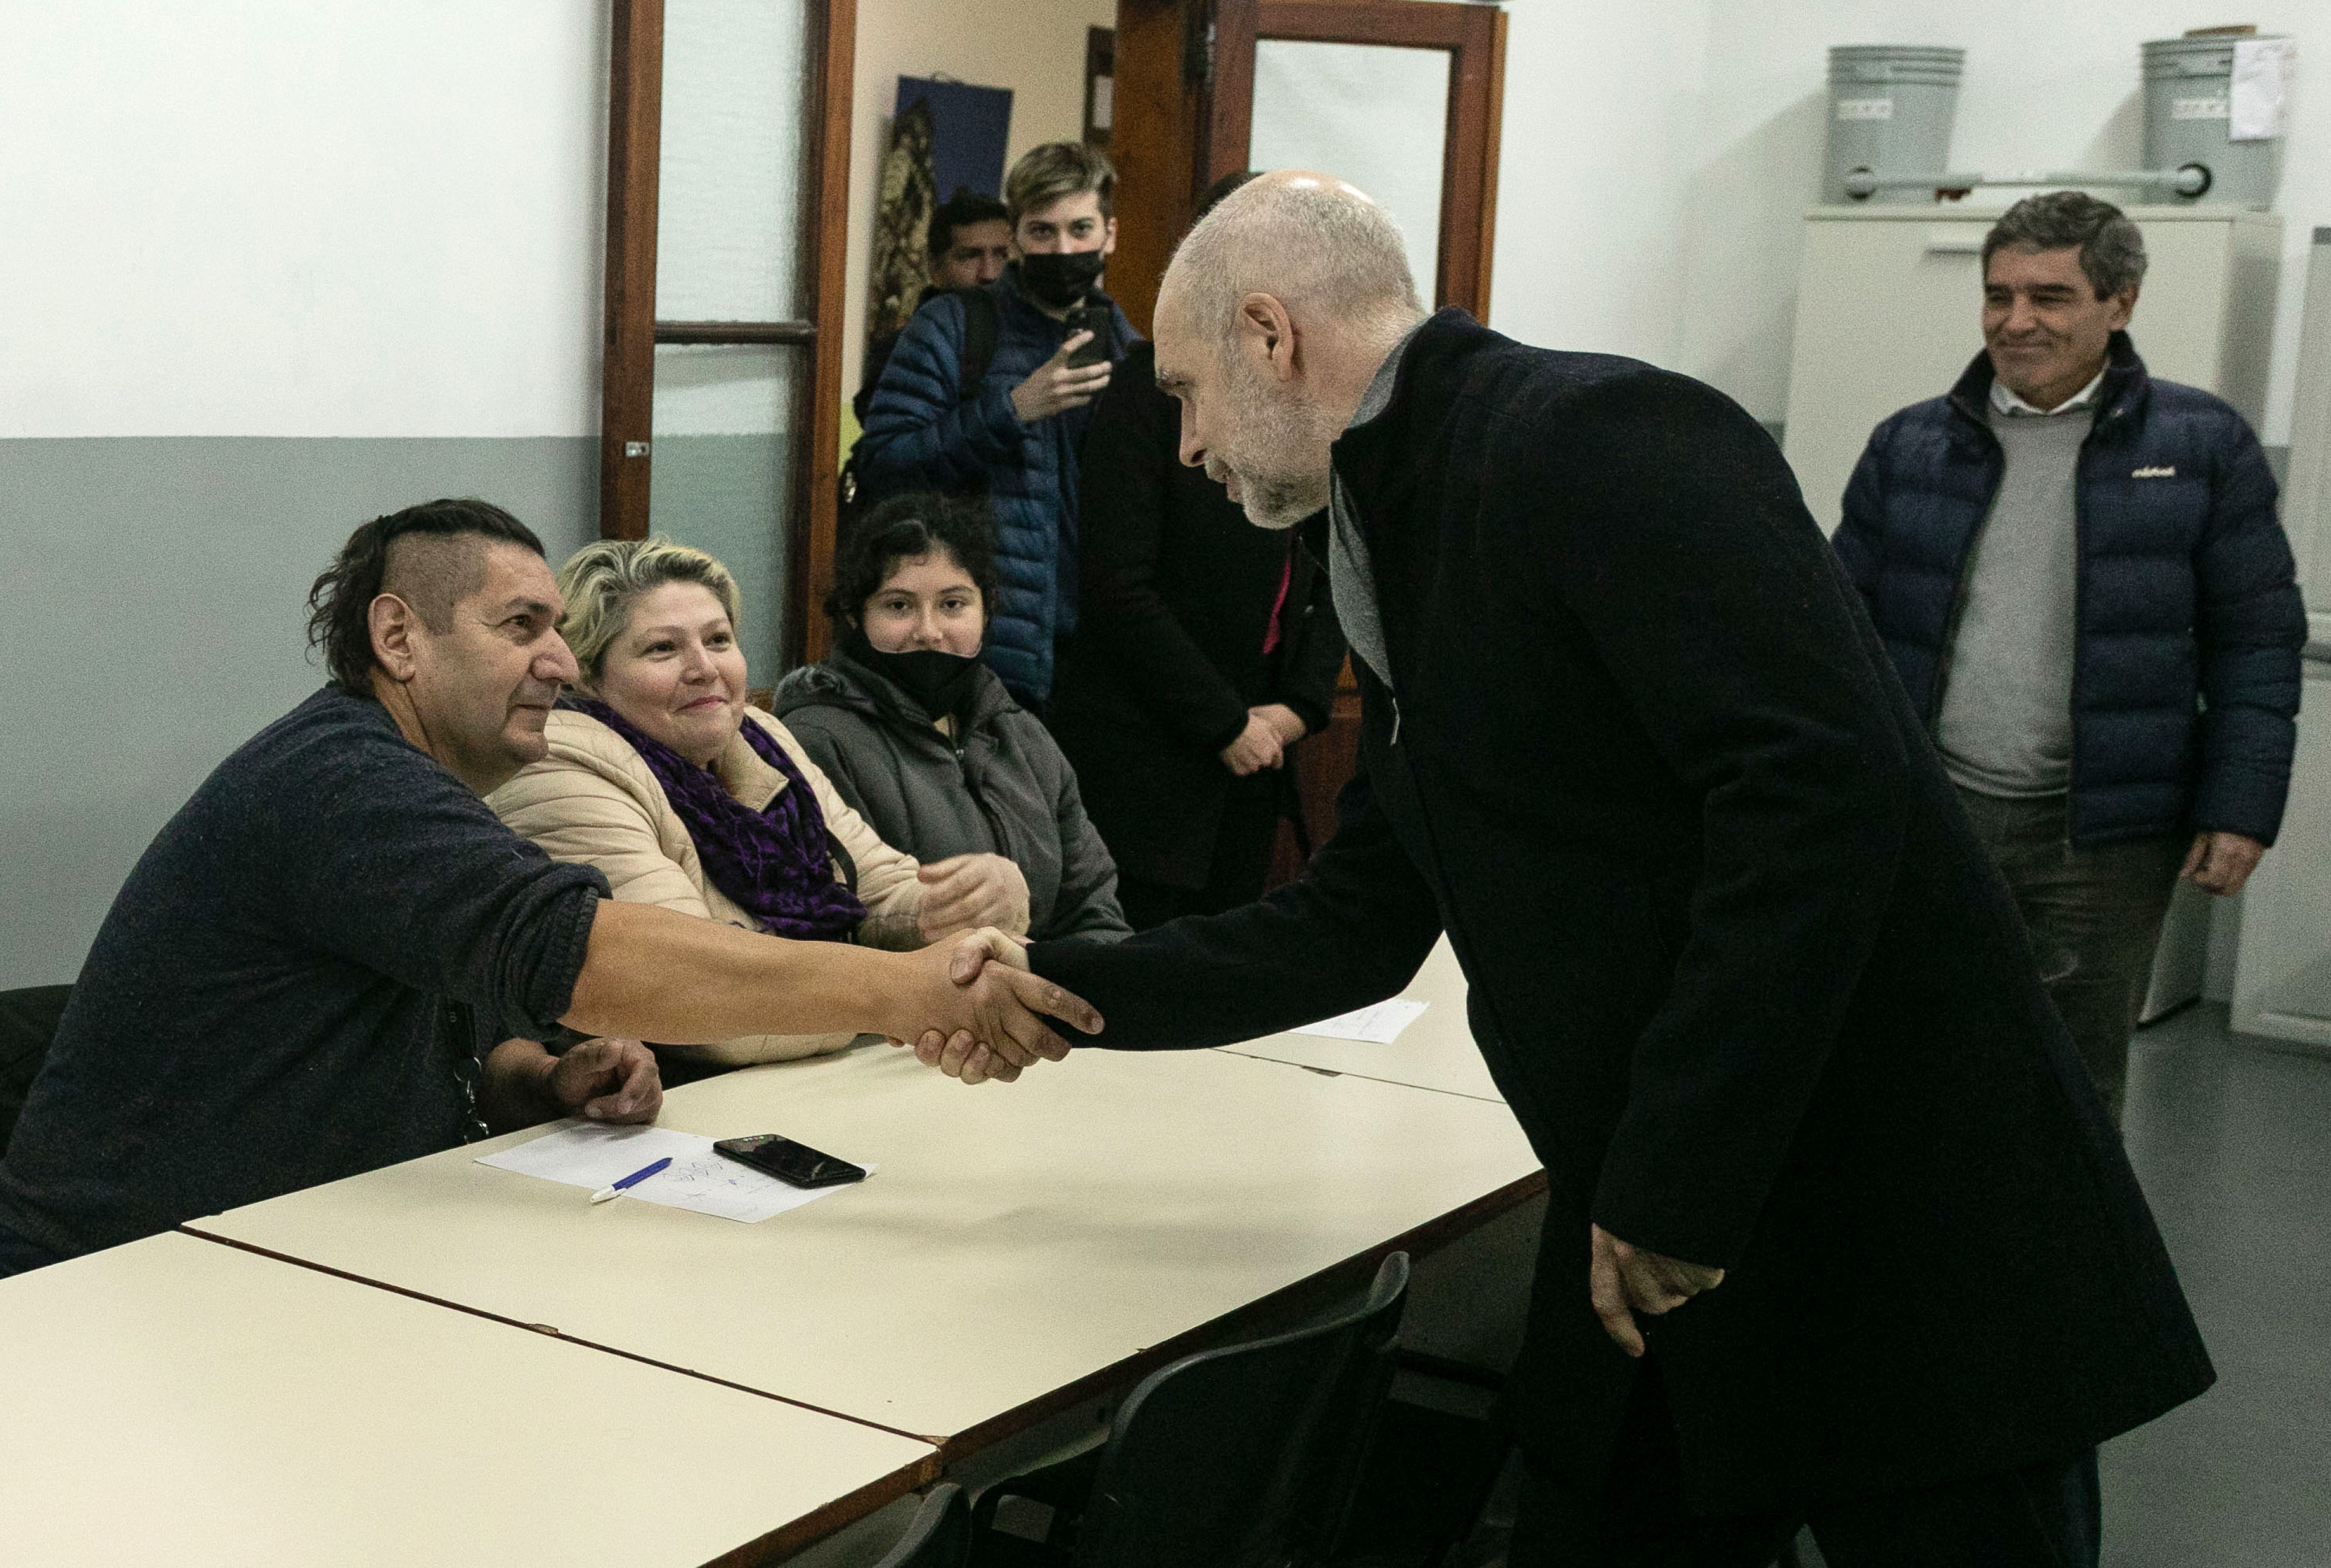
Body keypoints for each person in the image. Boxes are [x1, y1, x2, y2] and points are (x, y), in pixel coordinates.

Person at [943, 174, 2211, 1563]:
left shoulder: (1591, 437)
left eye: (1183, 393)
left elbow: (1817, 792)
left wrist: (1675, 1179)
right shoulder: (1395, 517)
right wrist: (1056, 988)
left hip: (1876, 1207)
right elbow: (1355, 919)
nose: (1182, 446)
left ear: (1267, 334)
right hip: (1659, 1206)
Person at [0, 500, 1097, 1277]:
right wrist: (908, 994)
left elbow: (395, 1023)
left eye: (558, 634)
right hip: (122, 1280)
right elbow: (596, 953)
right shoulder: (340, 779)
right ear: (399, 639)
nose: (562, 662)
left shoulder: (422, 781)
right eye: (520, 626)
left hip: (296, 1248)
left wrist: (537, 1077)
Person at [1834, 191, 2306, 1125]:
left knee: (2072, 1082)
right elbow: (1840, 627)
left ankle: (2058, 1269)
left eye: (2049, 297)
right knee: (1907, 1048)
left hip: (2104, 833)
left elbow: (2254, 635)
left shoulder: (2200, 445)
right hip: (1936, 808)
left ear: (2119, 302)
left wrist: (2239, 806)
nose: (2017, 321)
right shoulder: (1912, 443)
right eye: (1998, 295)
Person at [488, 536, 1034, 1069]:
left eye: (719, 640)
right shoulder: (558, 761)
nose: (704, 667)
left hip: (807, 1082)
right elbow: (699, 997)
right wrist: (904, 994)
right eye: (662, 648)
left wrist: (976, 906)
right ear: (589, 675)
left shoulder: (759, 736)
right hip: (652, 1117)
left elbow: (884, 888)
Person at [1049, 169, 1346, 929]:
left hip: (1261, 745)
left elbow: (1337, 559)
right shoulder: (1148, 388)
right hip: (1153, 745)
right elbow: (1118, 585)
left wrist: (1299, 708)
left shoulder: (1316, 385)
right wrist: (1225, 723)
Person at [855, 141, 1138, 713]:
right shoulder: (955, 326)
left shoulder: (1130, 348)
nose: (1063, 248)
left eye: (1080, 228)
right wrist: (1011, 412)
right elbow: (881, 462)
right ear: (1015, 236)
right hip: (979, 653)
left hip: (1102, 662)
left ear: (1109, 234)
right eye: (1042, 231)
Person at [775, 495, 1131, 944]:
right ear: (854, 615)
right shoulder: (817, 741)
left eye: (953, 604)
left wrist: (1069, 989)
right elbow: (839, 928)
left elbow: (1094, 910)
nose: (929, 630)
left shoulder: (1024, 736)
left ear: (987, 609)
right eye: (898, 606)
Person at [854, 188, 1014, 424]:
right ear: (935, 268)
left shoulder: (1030, 336)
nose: (989, 273)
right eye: (970, 256)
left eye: (1002, 255)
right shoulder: (899, 351)